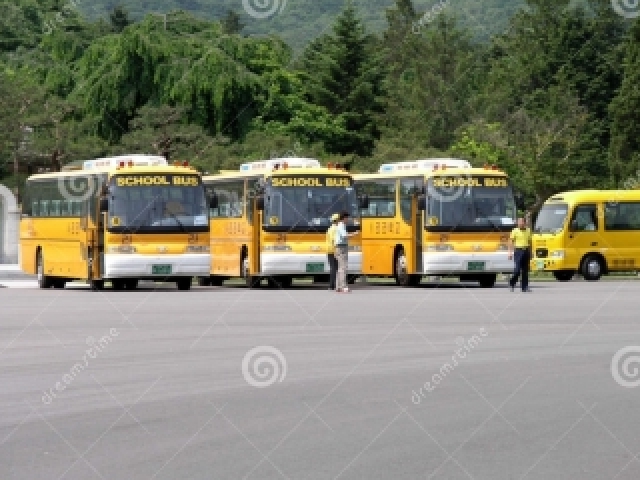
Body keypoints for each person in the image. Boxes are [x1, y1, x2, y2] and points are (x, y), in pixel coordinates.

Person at [508, 213, 532, 292]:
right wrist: (510, 252)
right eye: (519, 222)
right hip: (518, 251)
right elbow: (511, 242)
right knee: (517, 270)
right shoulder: (515, 231)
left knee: (525, 271)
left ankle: (524, 287)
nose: (520, 223)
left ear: (524, 223)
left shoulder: (528, 230)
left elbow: (530, 242)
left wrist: (531, 252)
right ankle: (512, 283)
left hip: (526, 251)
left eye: (521, 222)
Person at [334, 211, 356, 293]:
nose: (348, 220)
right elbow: (344, 236)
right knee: (343, 267)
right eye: (347, 218)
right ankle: (343, 286)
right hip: (342, 247)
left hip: (339, 247)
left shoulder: (339, 225)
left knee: (340, 268)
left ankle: (338, 286)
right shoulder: (341, 225)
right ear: (344, 218)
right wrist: (354, 234)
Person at [326, 213, 339, 291]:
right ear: (337, 220)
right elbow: (335, 240)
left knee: (332, 267)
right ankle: (333, 285)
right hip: (334, 249)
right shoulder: (336, 229)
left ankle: (332, 285)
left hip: (329, 249)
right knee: (336, 268)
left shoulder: (330, 228)